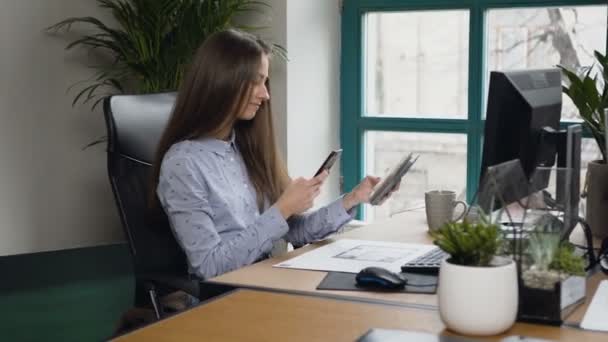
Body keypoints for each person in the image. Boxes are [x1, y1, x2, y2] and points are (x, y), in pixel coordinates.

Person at [152, 29, 396, 280]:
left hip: (266, 279)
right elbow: (209, 267)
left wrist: (352, 199)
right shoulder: (183, 164)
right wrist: (282, 209)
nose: (265, 95)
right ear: (223, 80)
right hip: (224, 298)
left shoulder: (244, 150)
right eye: (255, 81)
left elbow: (297, 232)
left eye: (265, 82)